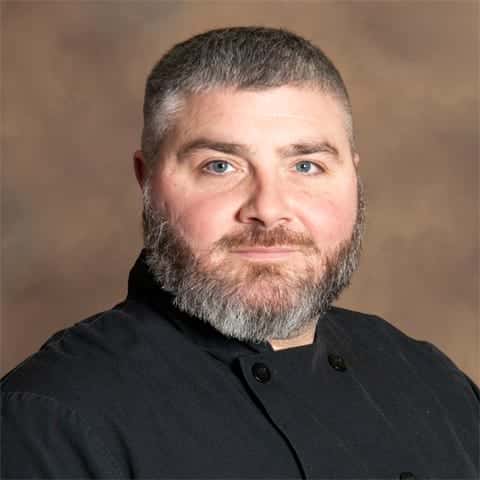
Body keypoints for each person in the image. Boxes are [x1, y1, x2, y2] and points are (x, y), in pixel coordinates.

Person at [1, 26, 478, 479]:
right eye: (220, 166)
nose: (268, 210)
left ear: (353, 178)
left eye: (306, 165)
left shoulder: (431, 381)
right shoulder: (50, 421)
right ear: (147, 182)